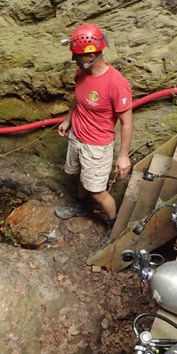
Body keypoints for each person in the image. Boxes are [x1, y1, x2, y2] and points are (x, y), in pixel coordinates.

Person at [55, 23, 133, 243]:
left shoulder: (116, 84)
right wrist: (68, 119)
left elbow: (126, 123)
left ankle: (112, 221)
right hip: (77, 137)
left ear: (90, 57)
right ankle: (80, 206)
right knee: (79, 174)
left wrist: (123, 155)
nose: (74, 60)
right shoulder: (82, 72)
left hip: (97, 145)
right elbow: (77, 97)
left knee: (98, 191)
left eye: (77, 56)